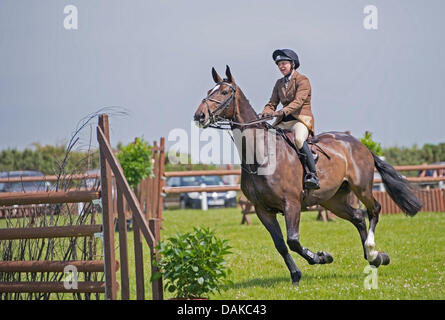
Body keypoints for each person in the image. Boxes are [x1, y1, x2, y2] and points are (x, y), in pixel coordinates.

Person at [260, 49, 320, 189]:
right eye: (279, 64)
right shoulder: (279, 83)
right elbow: (272, 103)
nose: (281, 67)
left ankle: (312, 175)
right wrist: (266, 112)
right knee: (267, 138)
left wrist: (280, 112)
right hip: (285, 121)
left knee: (299, 139)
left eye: (284, 63)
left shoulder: (303, 80)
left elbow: (298, 102)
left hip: (301, 119)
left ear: (292, 64)